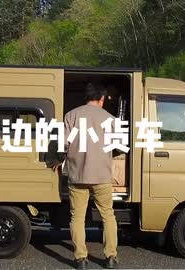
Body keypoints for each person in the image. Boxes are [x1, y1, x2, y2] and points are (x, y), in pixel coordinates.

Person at [53, 82, 118, 270]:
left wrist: (58, 160)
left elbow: (63, 144)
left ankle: (81, 259)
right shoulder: (110, 119)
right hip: (102, 176)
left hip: (78, 175)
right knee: (108, 215)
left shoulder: (71, 115)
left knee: (77, 218)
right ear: (102, 98)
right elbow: (115, 147)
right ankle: (111, 257)